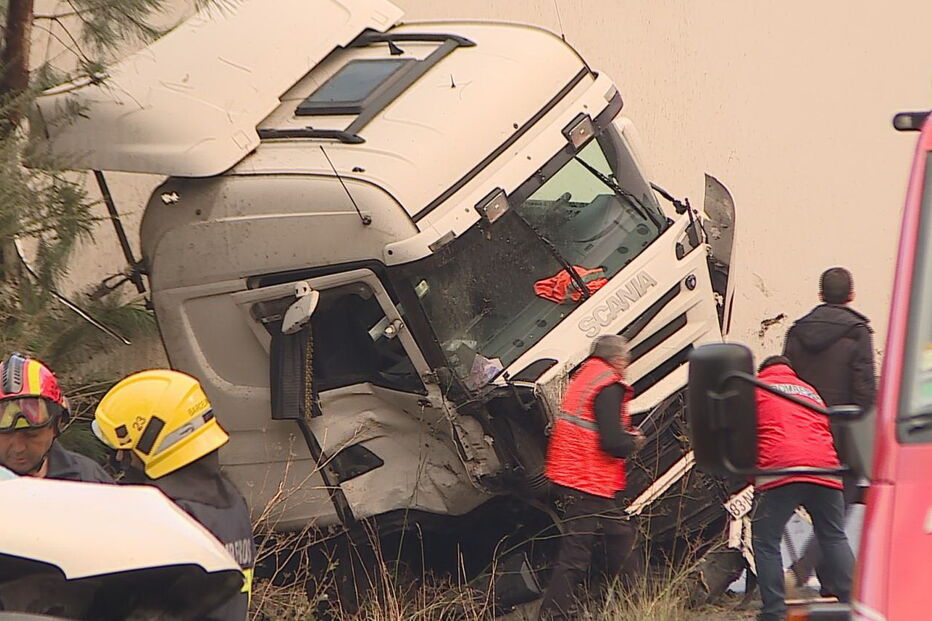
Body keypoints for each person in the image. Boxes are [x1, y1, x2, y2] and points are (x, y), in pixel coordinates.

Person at [93, 369, 255, 621]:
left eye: (125, 449)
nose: (119, 457)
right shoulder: (231, 500)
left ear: (150, 440)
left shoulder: (166, 514)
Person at [537, 335, 645, 620]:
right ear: (619, 359)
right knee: (576, 552)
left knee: (621, 536)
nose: (627, 364)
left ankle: (636, 601)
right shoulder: (609, 385)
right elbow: (611, 441)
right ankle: (554, 613)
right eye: (626, 358)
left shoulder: (586, 376)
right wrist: (632, 441)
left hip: (573, 473)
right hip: (587, 477)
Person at [783, 267, 875, 590]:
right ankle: (800, 572)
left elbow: (785, 380)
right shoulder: (857, 332)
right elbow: (864, 392)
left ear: (820, 295)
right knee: (837, 510)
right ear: (850, 295)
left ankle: (832, 585)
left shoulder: (797, 331)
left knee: (825, 510)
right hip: (842, 435)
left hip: (802, 431)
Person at [751, 356, 854, 621]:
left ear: (763, 371)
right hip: (826, 468)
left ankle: (773, 611)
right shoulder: (809, 391)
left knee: (765, 540)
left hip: (782, 467)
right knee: (833, 535)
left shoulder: (756, 388)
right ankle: (854, 604)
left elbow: (743, 434)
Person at [0, 352, 111, 482]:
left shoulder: (90, 480)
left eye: (31, 435)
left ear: (56, 425)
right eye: (6, 436)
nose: (19, 448)